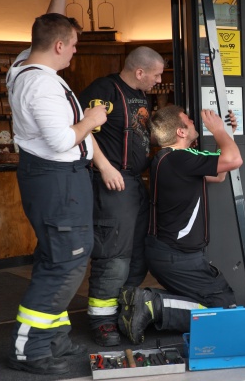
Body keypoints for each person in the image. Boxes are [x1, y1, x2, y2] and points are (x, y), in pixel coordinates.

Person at [5, 0, 109, 375]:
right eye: (75, 44)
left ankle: (53, 339)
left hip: (59, 179)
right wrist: (92, 119)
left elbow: (47, 28)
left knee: (63, 258)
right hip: (56, 179)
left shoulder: (25, 64)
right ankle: (27, 349)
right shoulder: (40, 84)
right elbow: (63, 138)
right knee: (66, 262)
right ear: (60, 46)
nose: (77, 51)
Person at [118, 105, 242, 343]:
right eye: (189, 121)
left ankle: (150, 304)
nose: (194, 122)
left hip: (173, 254)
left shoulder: (171, 160)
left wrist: (227, 134)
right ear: (180, 132)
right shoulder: (180, 159)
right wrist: (218, 131)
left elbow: (219, 173)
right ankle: (152, 304)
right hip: (177, 256)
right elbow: (234, 159)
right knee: (222, 312)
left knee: (220, 303)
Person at [77, 46, 165, 346]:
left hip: (134, 182)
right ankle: (101, 321)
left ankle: (120, 310)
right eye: (156, 75)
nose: (158, 81)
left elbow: (141, 133)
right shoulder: (104, 90)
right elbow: (82, 129)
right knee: (113, 255)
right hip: (112, 183)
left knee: (138, 255)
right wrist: (104, 167)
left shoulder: (141, 94)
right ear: (139, 72)